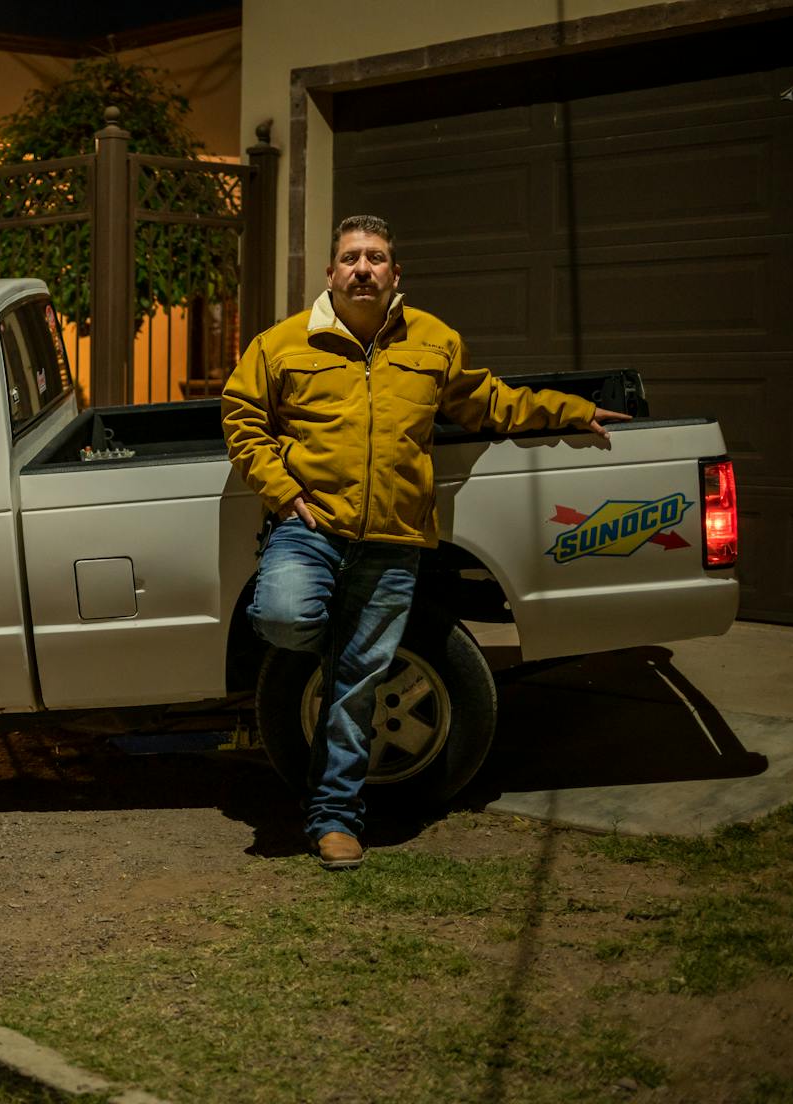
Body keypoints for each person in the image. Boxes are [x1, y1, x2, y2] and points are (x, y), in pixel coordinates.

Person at [221, 214, 630, 870]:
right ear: (329, 274)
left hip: (393, 540)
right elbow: (241, 417)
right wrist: (283, 491)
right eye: (350, 257)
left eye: (375, 257)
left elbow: (489, 401)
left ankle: (334, 820)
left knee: (357, 684)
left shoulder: (431, 341)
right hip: (310, 530)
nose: (362, 268)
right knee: (282, 615)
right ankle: (338, 648)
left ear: (394, 273)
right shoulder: (281, 345)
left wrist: (572, 410)